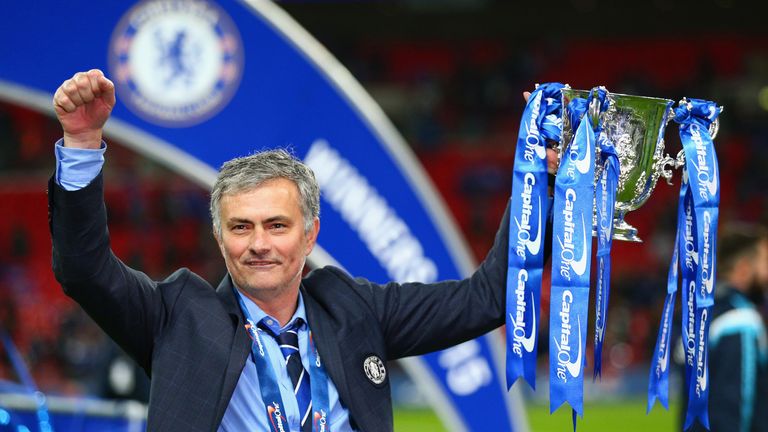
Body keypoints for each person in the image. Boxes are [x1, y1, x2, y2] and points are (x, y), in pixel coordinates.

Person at [49, 69, 547, 432]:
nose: (259, 244)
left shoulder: (353, 309)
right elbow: (84, 270)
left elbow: (486, 299)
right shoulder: (176, 315)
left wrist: (539, 183)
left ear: (310, 236)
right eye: (240, 227)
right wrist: (82, 142)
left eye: (277, 225)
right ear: (220, 238)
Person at [680, 223, 768, 432]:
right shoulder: (741, 320)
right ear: (744, 268)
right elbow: (737, 404)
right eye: (765, 262)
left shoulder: (701, 313)